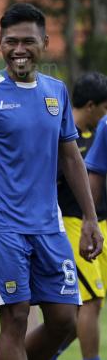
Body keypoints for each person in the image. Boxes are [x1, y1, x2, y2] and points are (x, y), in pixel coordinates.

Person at [0, 2, 103, 360]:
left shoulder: (56, 92)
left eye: (27, 41)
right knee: (16, 317)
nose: (19, 50)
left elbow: (71, 158)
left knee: (65, 319)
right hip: (2, 225)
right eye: (11, 42)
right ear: (0, 43)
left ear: (45, 43)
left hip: (49, 226)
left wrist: (89, 218)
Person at [67, 72, 107, 360]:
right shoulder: (60, 133)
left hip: (97, 223)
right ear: (91, 105)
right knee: (90, 300)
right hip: (71, 223)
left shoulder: (97, 134)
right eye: (105, 107)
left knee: (90, 304)